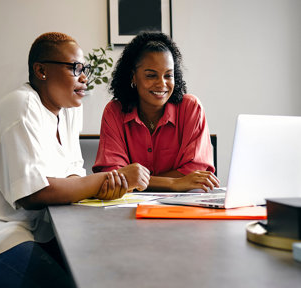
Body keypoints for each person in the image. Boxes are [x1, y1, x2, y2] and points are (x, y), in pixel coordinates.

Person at [0, 32, 150, 288]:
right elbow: (34, 194)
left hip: (24, 229)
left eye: (85, 69)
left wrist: (105, 185)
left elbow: (71, 176)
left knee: (98, 268)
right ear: (41, 71)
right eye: (74, 68)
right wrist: (111, 177)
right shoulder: (21, 107)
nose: (83, 77)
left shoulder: (67, 112)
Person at [93, 31, 219, 192]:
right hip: (127, 208)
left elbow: (196, 174)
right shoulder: (114, 112)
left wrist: (137, 180)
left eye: (168, 75)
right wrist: (174, 183)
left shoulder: (191, 108)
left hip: (184, 206)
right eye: (151, 75)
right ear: (133, 77)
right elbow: (113, 176)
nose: (162, 84)